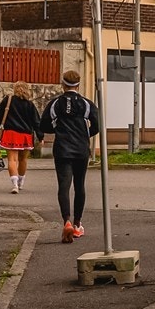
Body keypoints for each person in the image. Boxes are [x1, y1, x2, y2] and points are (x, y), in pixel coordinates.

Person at [40, 69, 100, 244]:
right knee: (79, 185)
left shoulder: (55, 104)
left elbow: (44, 125)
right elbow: (96, 124)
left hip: (62, 149)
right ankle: (77, 224)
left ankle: (66, 220)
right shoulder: (86, 104)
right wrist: (84, 133)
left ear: (63, 84)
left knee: (64, 186)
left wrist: (58, 128)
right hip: (81, 149)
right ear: (78, 84)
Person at [0, 81, 42, 194]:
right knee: (23, 159)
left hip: (11, 133)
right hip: (26, 135)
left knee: (12, 159)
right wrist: (40, 136)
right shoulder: (30, 105)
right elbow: (37, 122)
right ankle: (21, 182)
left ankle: (14, 185)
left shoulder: (8, 100)